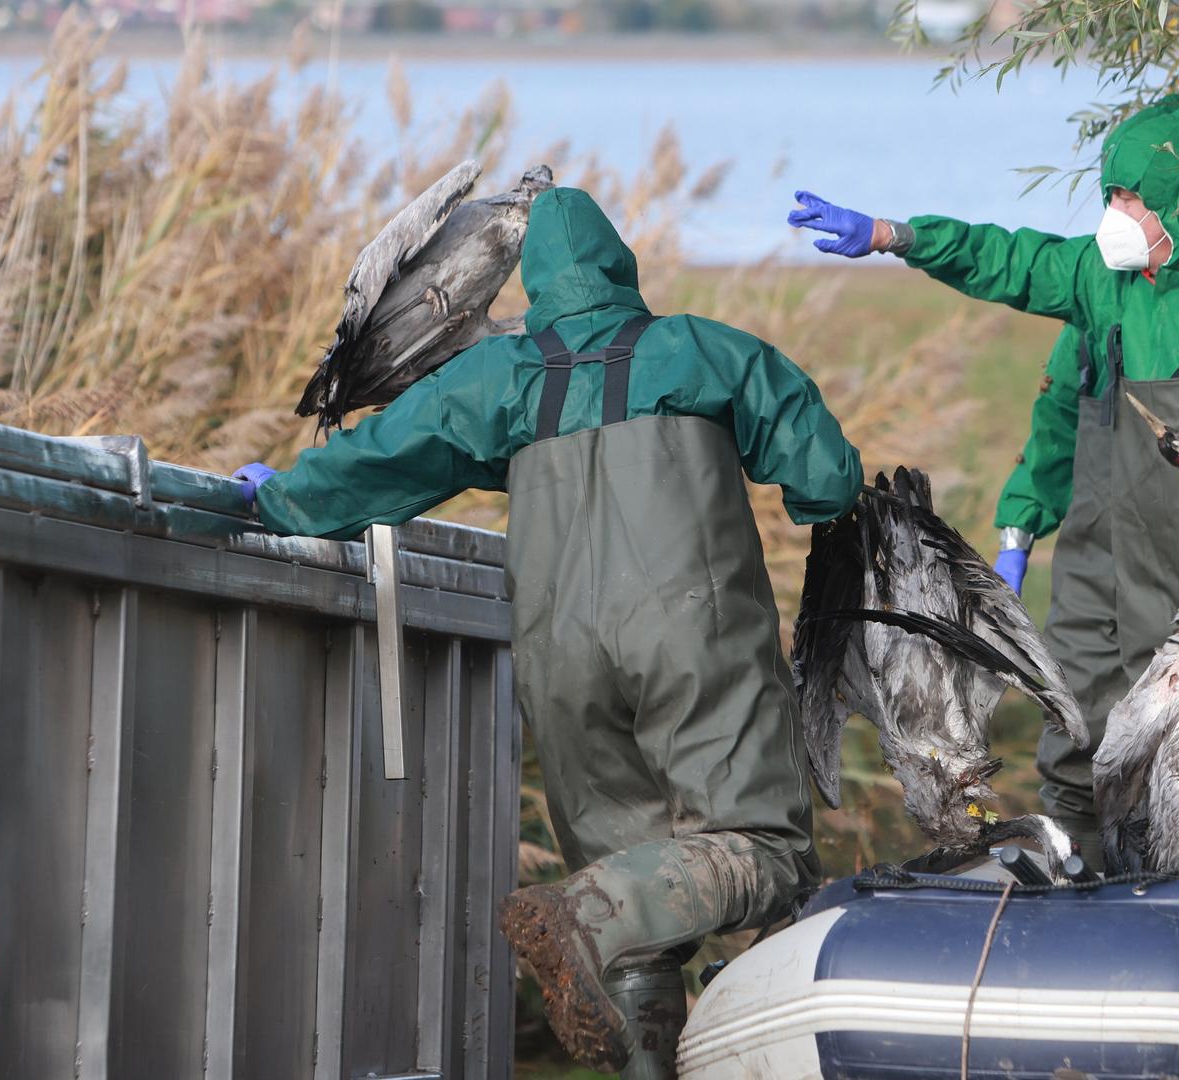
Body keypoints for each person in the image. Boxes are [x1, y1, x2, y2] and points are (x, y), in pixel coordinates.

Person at [236, 186, 862, 1076]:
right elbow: (828, 478)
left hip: (560, 659)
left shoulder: (498, 377)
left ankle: (621, 976)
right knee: (760, 846)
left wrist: (278, 496)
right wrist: (801, 493)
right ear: (621, 266)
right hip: (693, 641)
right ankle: (587, 908)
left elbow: (380, 460)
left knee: (640, 918)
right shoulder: (702, 351)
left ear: (531, 282)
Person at [788, 95, 1179, 883]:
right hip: (1119, 572)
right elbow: (1013, 271)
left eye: (1132, 198)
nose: (1116, 213)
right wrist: (889, 236)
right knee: (1087, 751)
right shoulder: (1101, 295)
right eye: (1109, 196)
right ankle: (1097, 916)